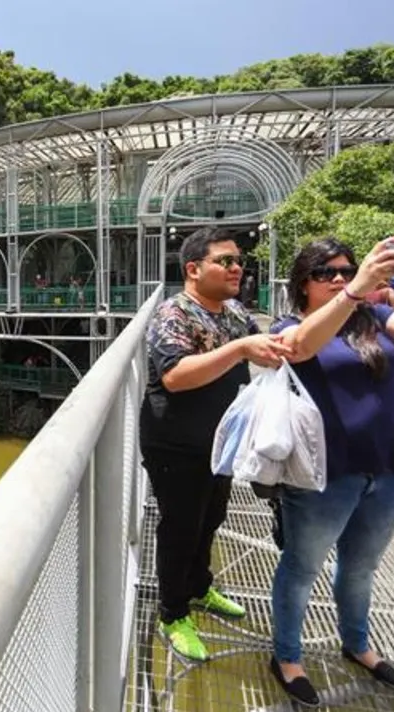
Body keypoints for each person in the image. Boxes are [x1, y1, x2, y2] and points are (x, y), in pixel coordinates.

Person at [267, 237, 394, 706]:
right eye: (325, 273)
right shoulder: (291, 324)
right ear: (302, 284)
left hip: (386, 468)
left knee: (361, 568)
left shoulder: (374, 318)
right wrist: (354, 288)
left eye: (345, 269)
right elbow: (300, 347)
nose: (336, 278)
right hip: (323, 474)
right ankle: (287, 656)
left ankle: (357, 644)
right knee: (302, 567)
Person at [140, 226, 292, 662]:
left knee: (212, 517)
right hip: (176, 444)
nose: (237, 268)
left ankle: (200, 587)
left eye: (238, 260)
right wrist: (242, 348)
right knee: (180, 528)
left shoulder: (232, 311)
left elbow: (268, 344)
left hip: (221, 440)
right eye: (224, 261)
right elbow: (175, 375)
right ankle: (172, 612)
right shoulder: (175, 313)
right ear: (193, 269)